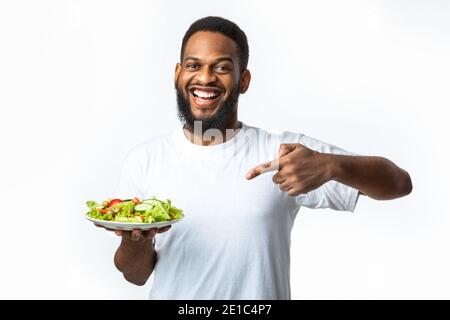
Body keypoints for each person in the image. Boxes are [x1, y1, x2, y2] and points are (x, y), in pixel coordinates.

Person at [100, 16, 412, 299]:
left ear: (244, 80)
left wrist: (333, 165)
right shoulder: (145, 160)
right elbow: (136, 275)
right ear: (178, 74)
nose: (205, 78)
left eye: (221, 67)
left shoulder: (286, 154)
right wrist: (135, 240)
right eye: (194, 65)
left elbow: (399, 183)